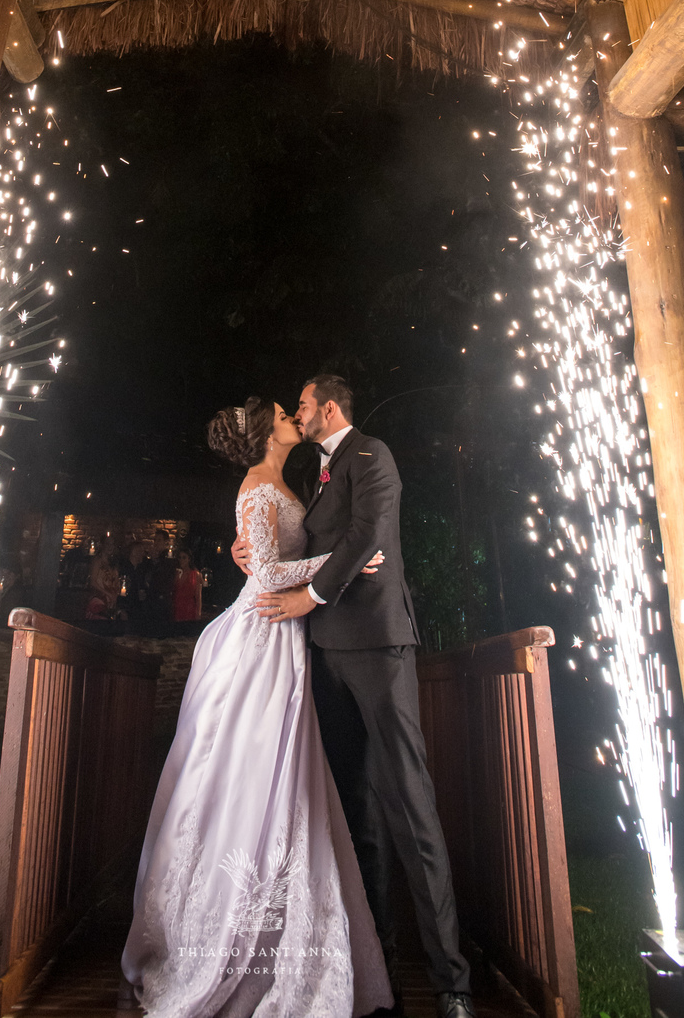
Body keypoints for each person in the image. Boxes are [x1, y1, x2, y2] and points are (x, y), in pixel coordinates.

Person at [121, 397, 392, 1018]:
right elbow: (268, 572)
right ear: (265, 432)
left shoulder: (279, 482)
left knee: (289, 780)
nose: (293, 416)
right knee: (251, 777)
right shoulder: (255, 487)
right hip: (264, 637)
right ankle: (222, 941)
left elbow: (264, 557)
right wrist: (343, 562)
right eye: (282, 412)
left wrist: (294, 561)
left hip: (283, 634)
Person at [255, 376, 474, 1018]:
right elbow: (317, 544)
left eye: (302, 403)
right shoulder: (318, 477)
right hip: (324, 654)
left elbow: (370, 530)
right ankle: (381, 975)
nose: (297, 413)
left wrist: (312, 593)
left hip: (377, 647)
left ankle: (452, 983)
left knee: (410, 802)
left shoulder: (371, 453)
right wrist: (256, 551)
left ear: (329, 407)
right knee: (358, 814)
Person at [171, 547, 203, 625]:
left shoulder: (196, 574)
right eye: (180, 558)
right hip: (177, 608)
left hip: (189, 609)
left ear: (189, 559)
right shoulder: (176, 573)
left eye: (184, 558)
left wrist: (198, 613)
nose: (181, 560)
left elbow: (198, 596)